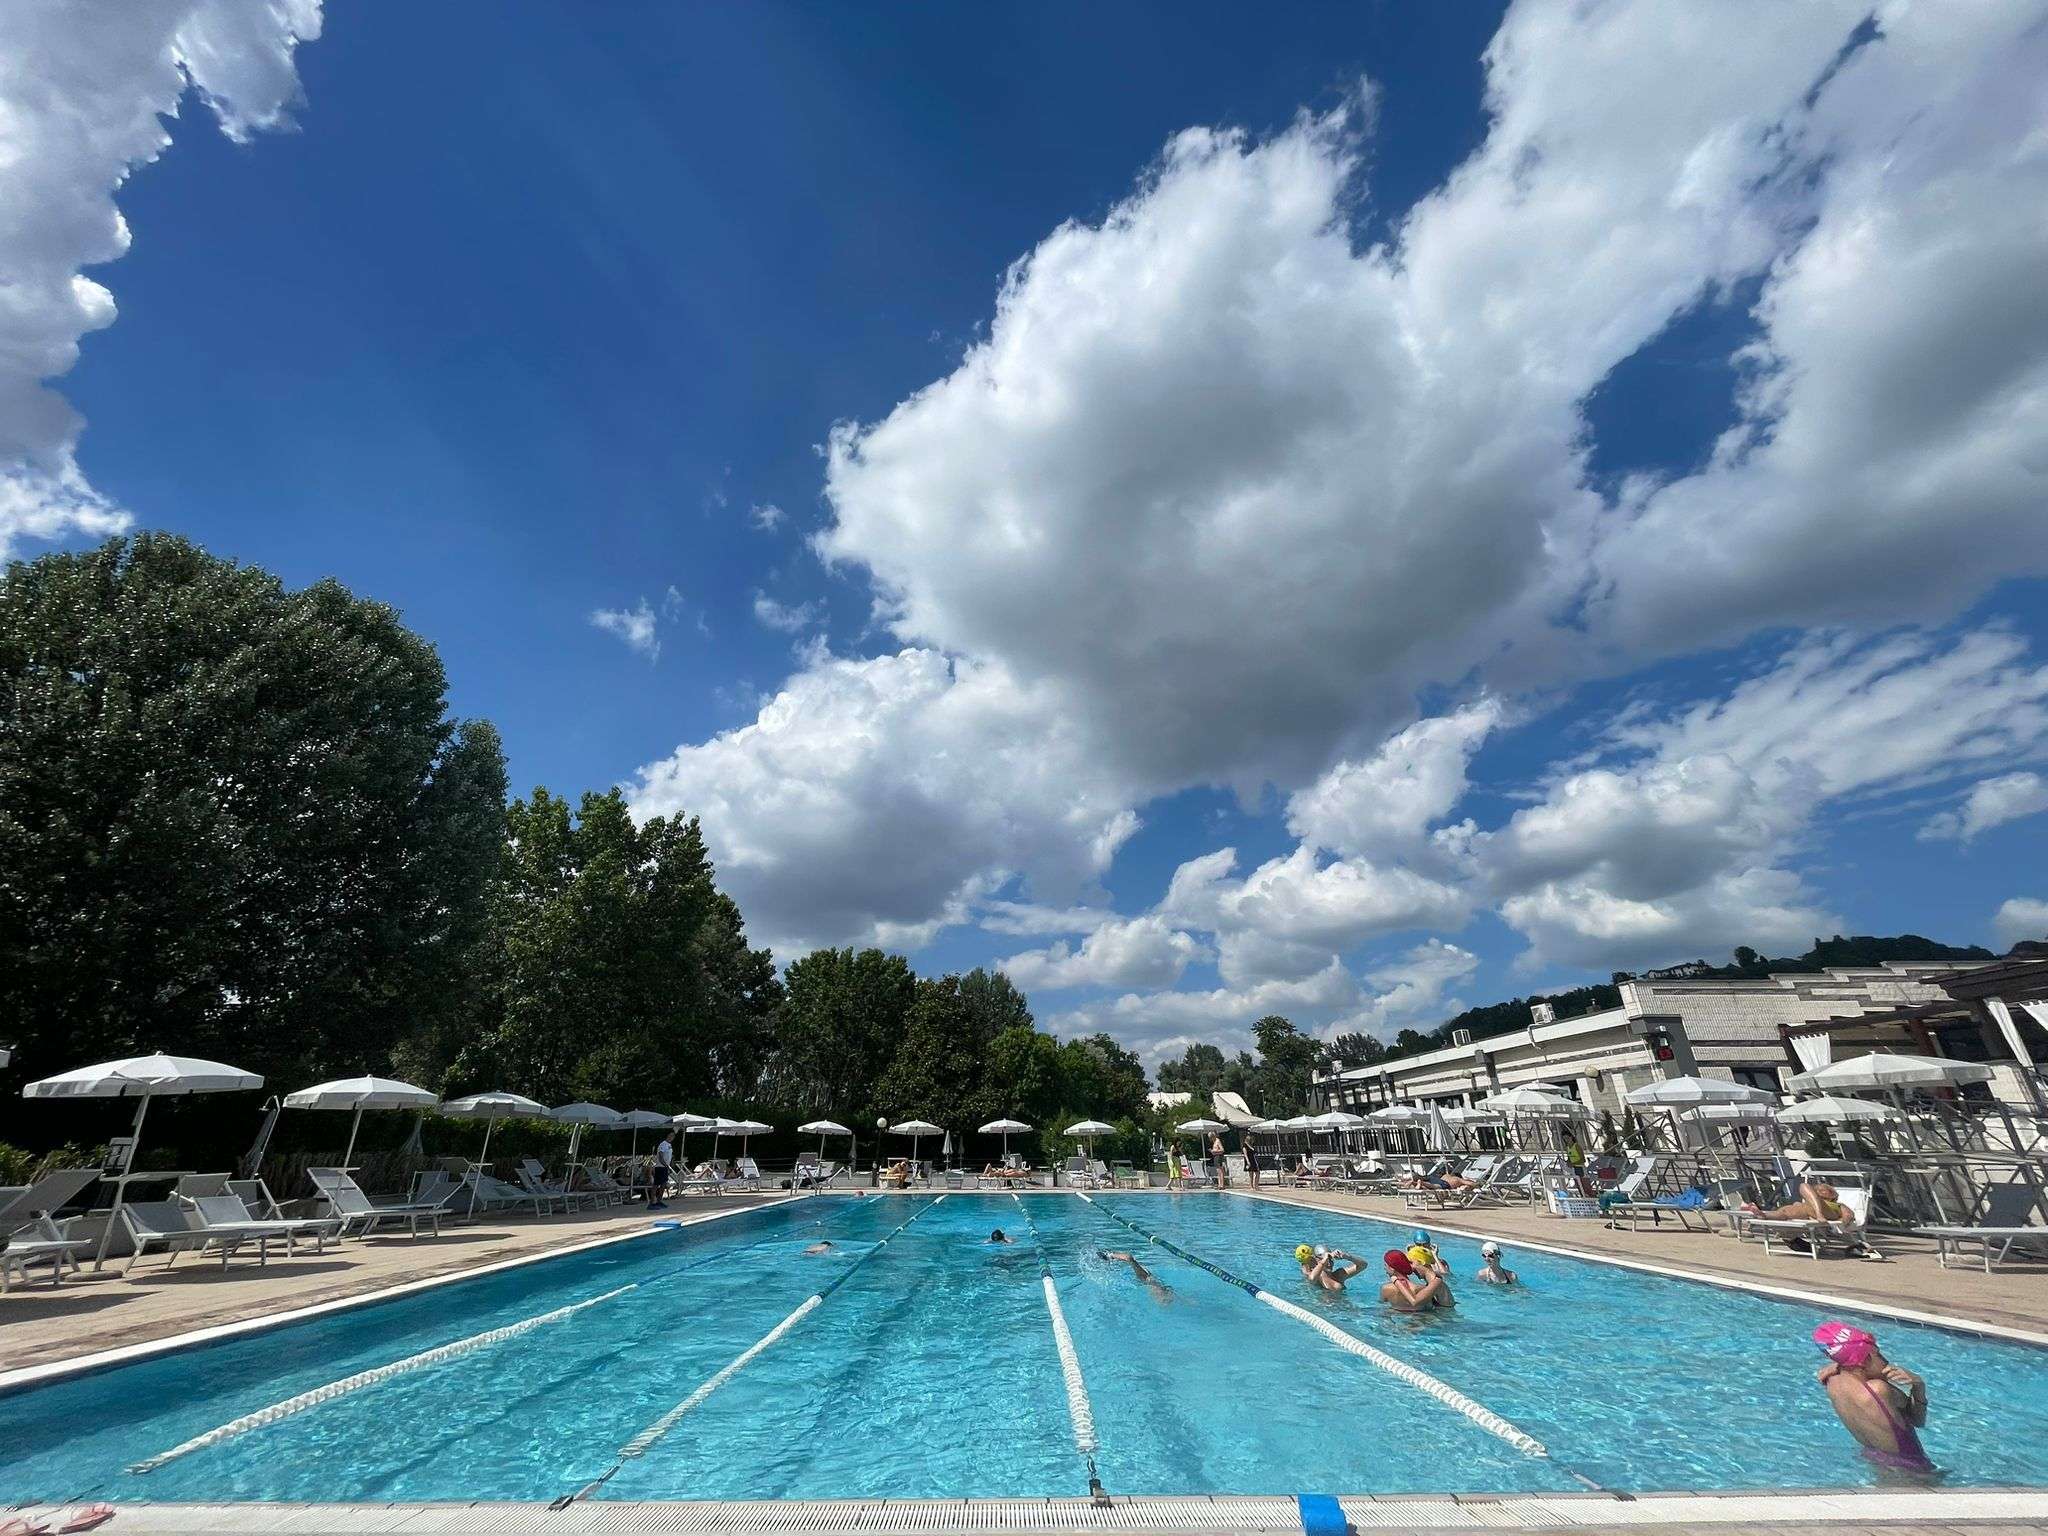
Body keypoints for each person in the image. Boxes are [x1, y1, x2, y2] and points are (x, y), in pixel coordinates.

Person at [1813, 1322, 1935, 1477]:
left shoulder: (1832, 1382)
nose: (1885, 1361)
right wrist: (1918, 1385)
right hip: (1912, 1469)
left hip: (1875, 1459)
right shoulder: (1879, 1390)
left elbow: (1847, 1364)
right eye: (1878, 1354)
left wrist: (1839, 1364)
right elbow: (1918, 1420)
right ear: (1862, 1362)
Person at [1381, 1248, 1453, 1310]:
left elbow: (1414, 1301)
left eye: (1385, 1265)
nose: (1411, 1267)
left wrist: (1396, 1281)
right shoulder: (1425, 1287)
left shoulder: (1385, 1289)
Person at [1099, 1249, 1173, 1301]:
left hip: (1157, 1288)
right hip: (1153, 1286)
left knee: (1149, 1279)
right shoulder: (1159, 1293)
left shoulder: (1162, 1293)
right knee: (1147, 1279)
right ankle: (1115, 1256)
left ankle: (1116, 1256)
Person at [1296, 1242, 1366, 1292]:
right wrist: (1324, 1260)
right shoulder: (1317, 1278)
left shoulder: (1339, 1275)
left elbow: (1363, 1265)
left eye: (1331, 1259)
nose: (1329, 1263)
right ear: (1317, 1260)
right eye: (1327, 1260)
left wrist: (1347, 1256)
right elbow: (1311, 1278)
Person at [647, 1134, 674, 1211]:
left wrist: (669, 1164)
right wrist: (665, 1165)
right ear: (667, 1136)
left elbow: (669, 1156)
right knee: (656, 1184)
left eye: (673, 1136)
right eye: (670, 1136)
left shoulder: (669, 1145)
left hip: (665, 1167)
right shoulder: (663, 1144)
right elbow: (660, 1156)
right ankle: (652, 1202)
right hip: (660, 1167)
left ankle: (659, 1200)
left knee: (663, 1184)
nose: (671, 1138)